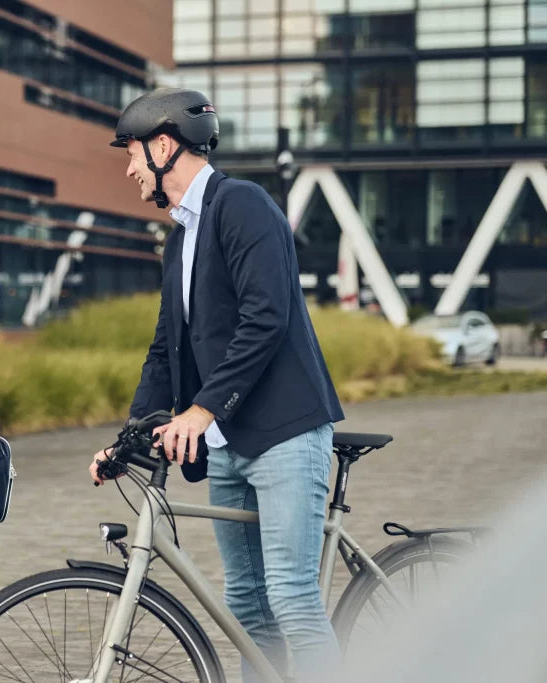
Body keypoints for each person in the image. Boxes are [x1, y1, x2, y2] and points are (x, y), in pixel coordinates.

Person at [89, 88, 345, 683]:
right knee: (247, 608)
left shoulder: (242, 204)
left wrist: (201, 411)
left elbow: (265, 319)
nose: (129, 170)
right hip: (228, 445)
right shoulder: (180, 237)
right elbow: (166, 349)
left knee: (291, 597)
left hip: (283, 434)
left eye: (131, 154)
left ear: (163, 147)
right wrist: (128, 438)